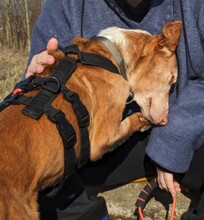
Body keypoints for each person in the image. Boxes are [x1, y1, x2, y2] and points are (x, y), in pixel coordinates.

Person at [24, 0, 204, 219]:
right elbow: (35, 87)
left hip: (185, 127)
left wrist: (175, 138)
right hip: (94, 140)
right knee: (35, 174)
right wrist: (35, 80)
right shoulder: (67, 6)